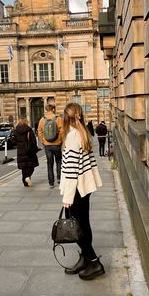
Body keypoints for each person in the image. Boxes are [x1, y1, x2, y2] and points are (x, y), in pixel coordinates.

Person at [59, 102, 105, 281]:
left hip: (76, 189)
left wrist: (67, 197)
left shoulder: (72, 136)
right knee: (84, 224)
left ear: (66, 117)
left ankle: (94, 262)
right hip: (85, 187)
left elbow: (71, 169)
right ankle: (85, 259)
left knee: (78, 228)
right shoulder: (83, 132)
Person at [38, 104, 63, 188]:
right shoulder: (58, 118)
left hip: (47, 145)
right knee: (59, 161)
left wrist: (43, 141)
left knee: (49, 163)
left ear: (46, 109)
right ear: (53, 109)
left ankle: (51, 182)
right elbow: (62, 131)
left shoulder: (42, 119)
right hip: (57, 144)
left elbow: (40, 132)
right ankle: (59, 178)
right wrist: (61, 141)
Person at [14, 116, 39, 187]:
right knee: (31, 167)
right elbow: (33, 141)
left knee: (24, 168)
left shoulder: (16, 130)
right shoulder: (29, 130)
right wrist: (35, 149)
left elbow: (15, 140)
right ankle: (28, 177)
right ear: (26, 121)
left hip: (20, 151)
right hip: (29, 151)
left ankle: (25, 183)